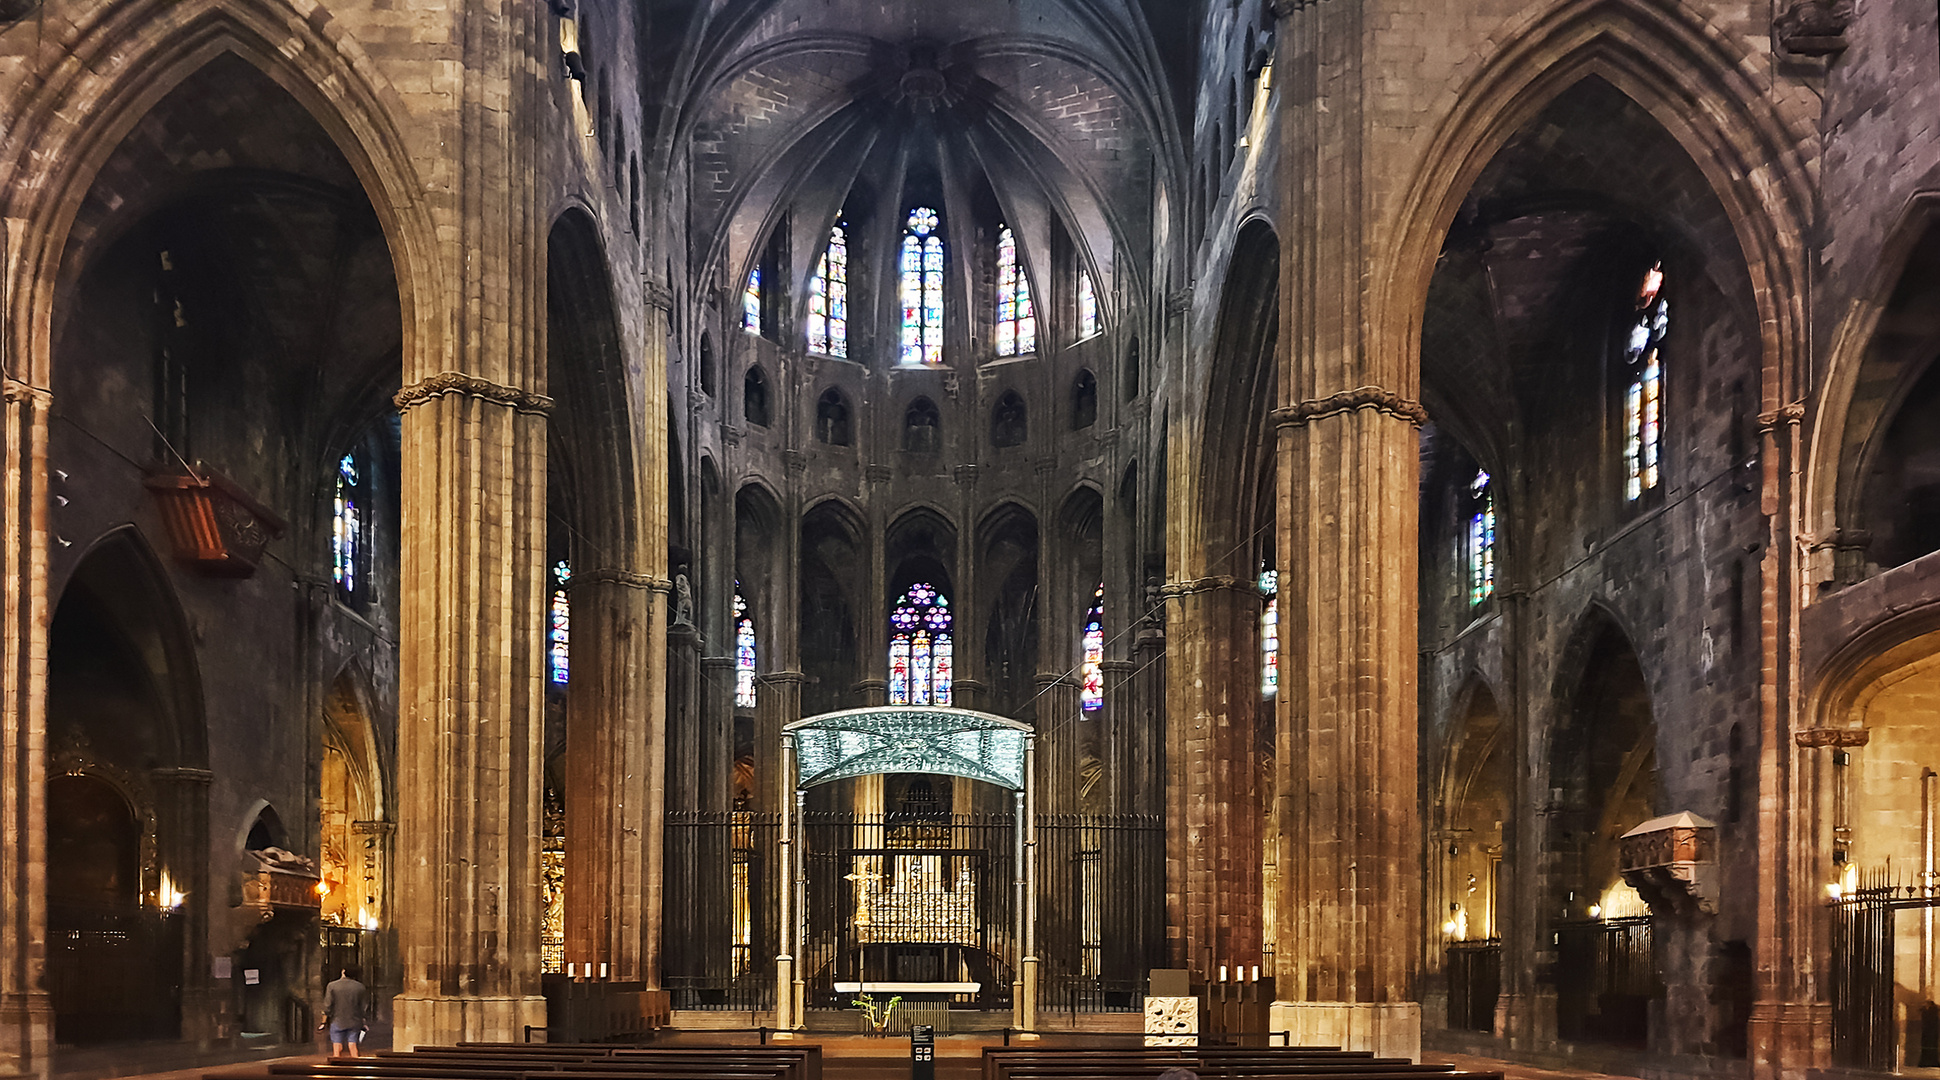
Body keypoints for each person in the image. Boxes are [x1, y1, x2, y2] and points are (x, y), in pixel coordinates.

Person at [318, 966, 368, 1058]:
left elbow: (327, 1005)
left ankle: (337, 1067)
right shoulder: (360, 987)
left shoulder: (332, 986)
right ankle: (356, 1067)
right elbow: (363, 1007)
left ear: (343, 971)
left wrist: (323, 1022)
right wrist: (363, 1020)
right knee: (353, 1046)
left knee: (337, 1047)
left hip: (337, 1020)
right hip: (355, 1020)